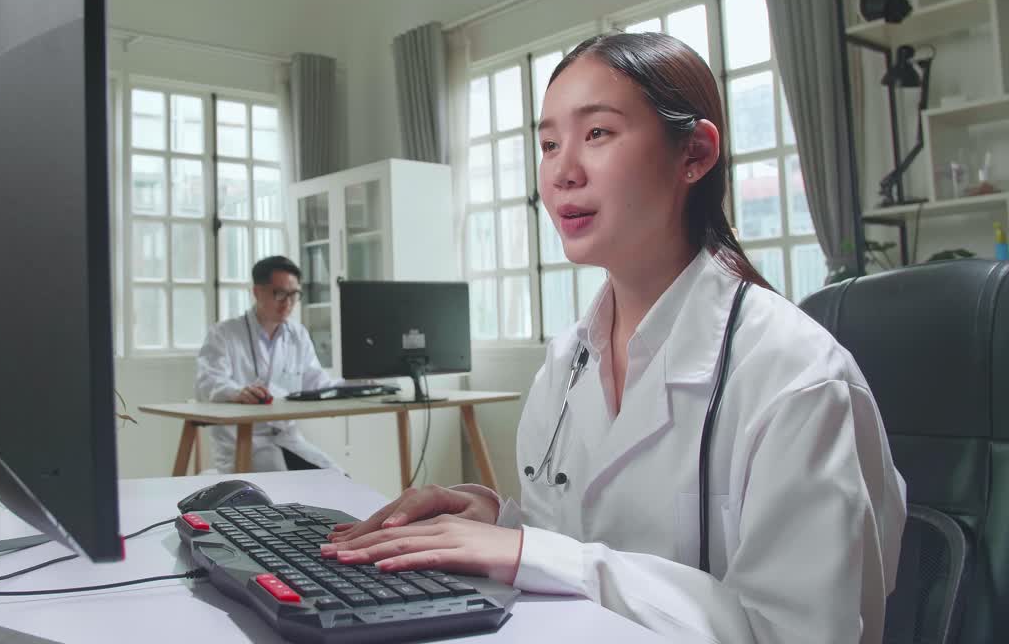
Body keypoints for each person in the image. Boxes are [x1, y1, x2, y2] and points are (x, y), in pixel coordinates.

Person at [320, 32, 906, 644]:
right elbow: (581, 545)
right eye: (548, 144)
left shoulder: (795, 377)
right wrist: (498, 521)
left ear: (695, 154)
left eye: (597, 133)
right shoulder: (568, 359)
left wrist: (526, 552)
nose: (562, 172)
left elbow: (793, 633)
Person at [195, 255, 341, 473]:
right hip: (243, 441)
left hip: (287, 439)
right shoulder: (224, 334)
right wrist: (237, 393)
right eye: (280, 294)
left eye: (294, 295)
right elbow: (208, 382)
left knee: (339, 479)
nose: (288, 303)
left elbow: (318, 382)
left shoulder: (297, 335)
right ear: (257, 292)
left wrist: (362, 384)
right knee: (281, 485)